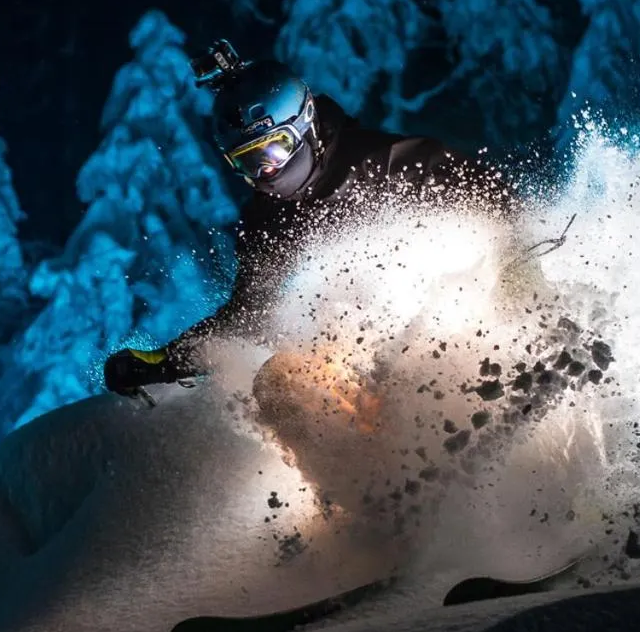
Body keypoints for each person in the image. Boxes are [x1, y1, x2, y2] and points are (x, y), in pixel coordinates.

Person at [103, 39, 516, 397]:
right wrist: (162, 362)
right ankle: (369, 473)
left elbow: (489, 197)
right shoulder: (267, 224)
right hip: (363, 365)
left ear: (304, 125)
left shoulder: (383, 164)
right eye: (246, 163)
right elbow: (249, 317)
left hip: (457, 333)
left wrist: (514, 269)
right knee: (280, 382)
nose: (264, 172)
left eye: (273, 151)